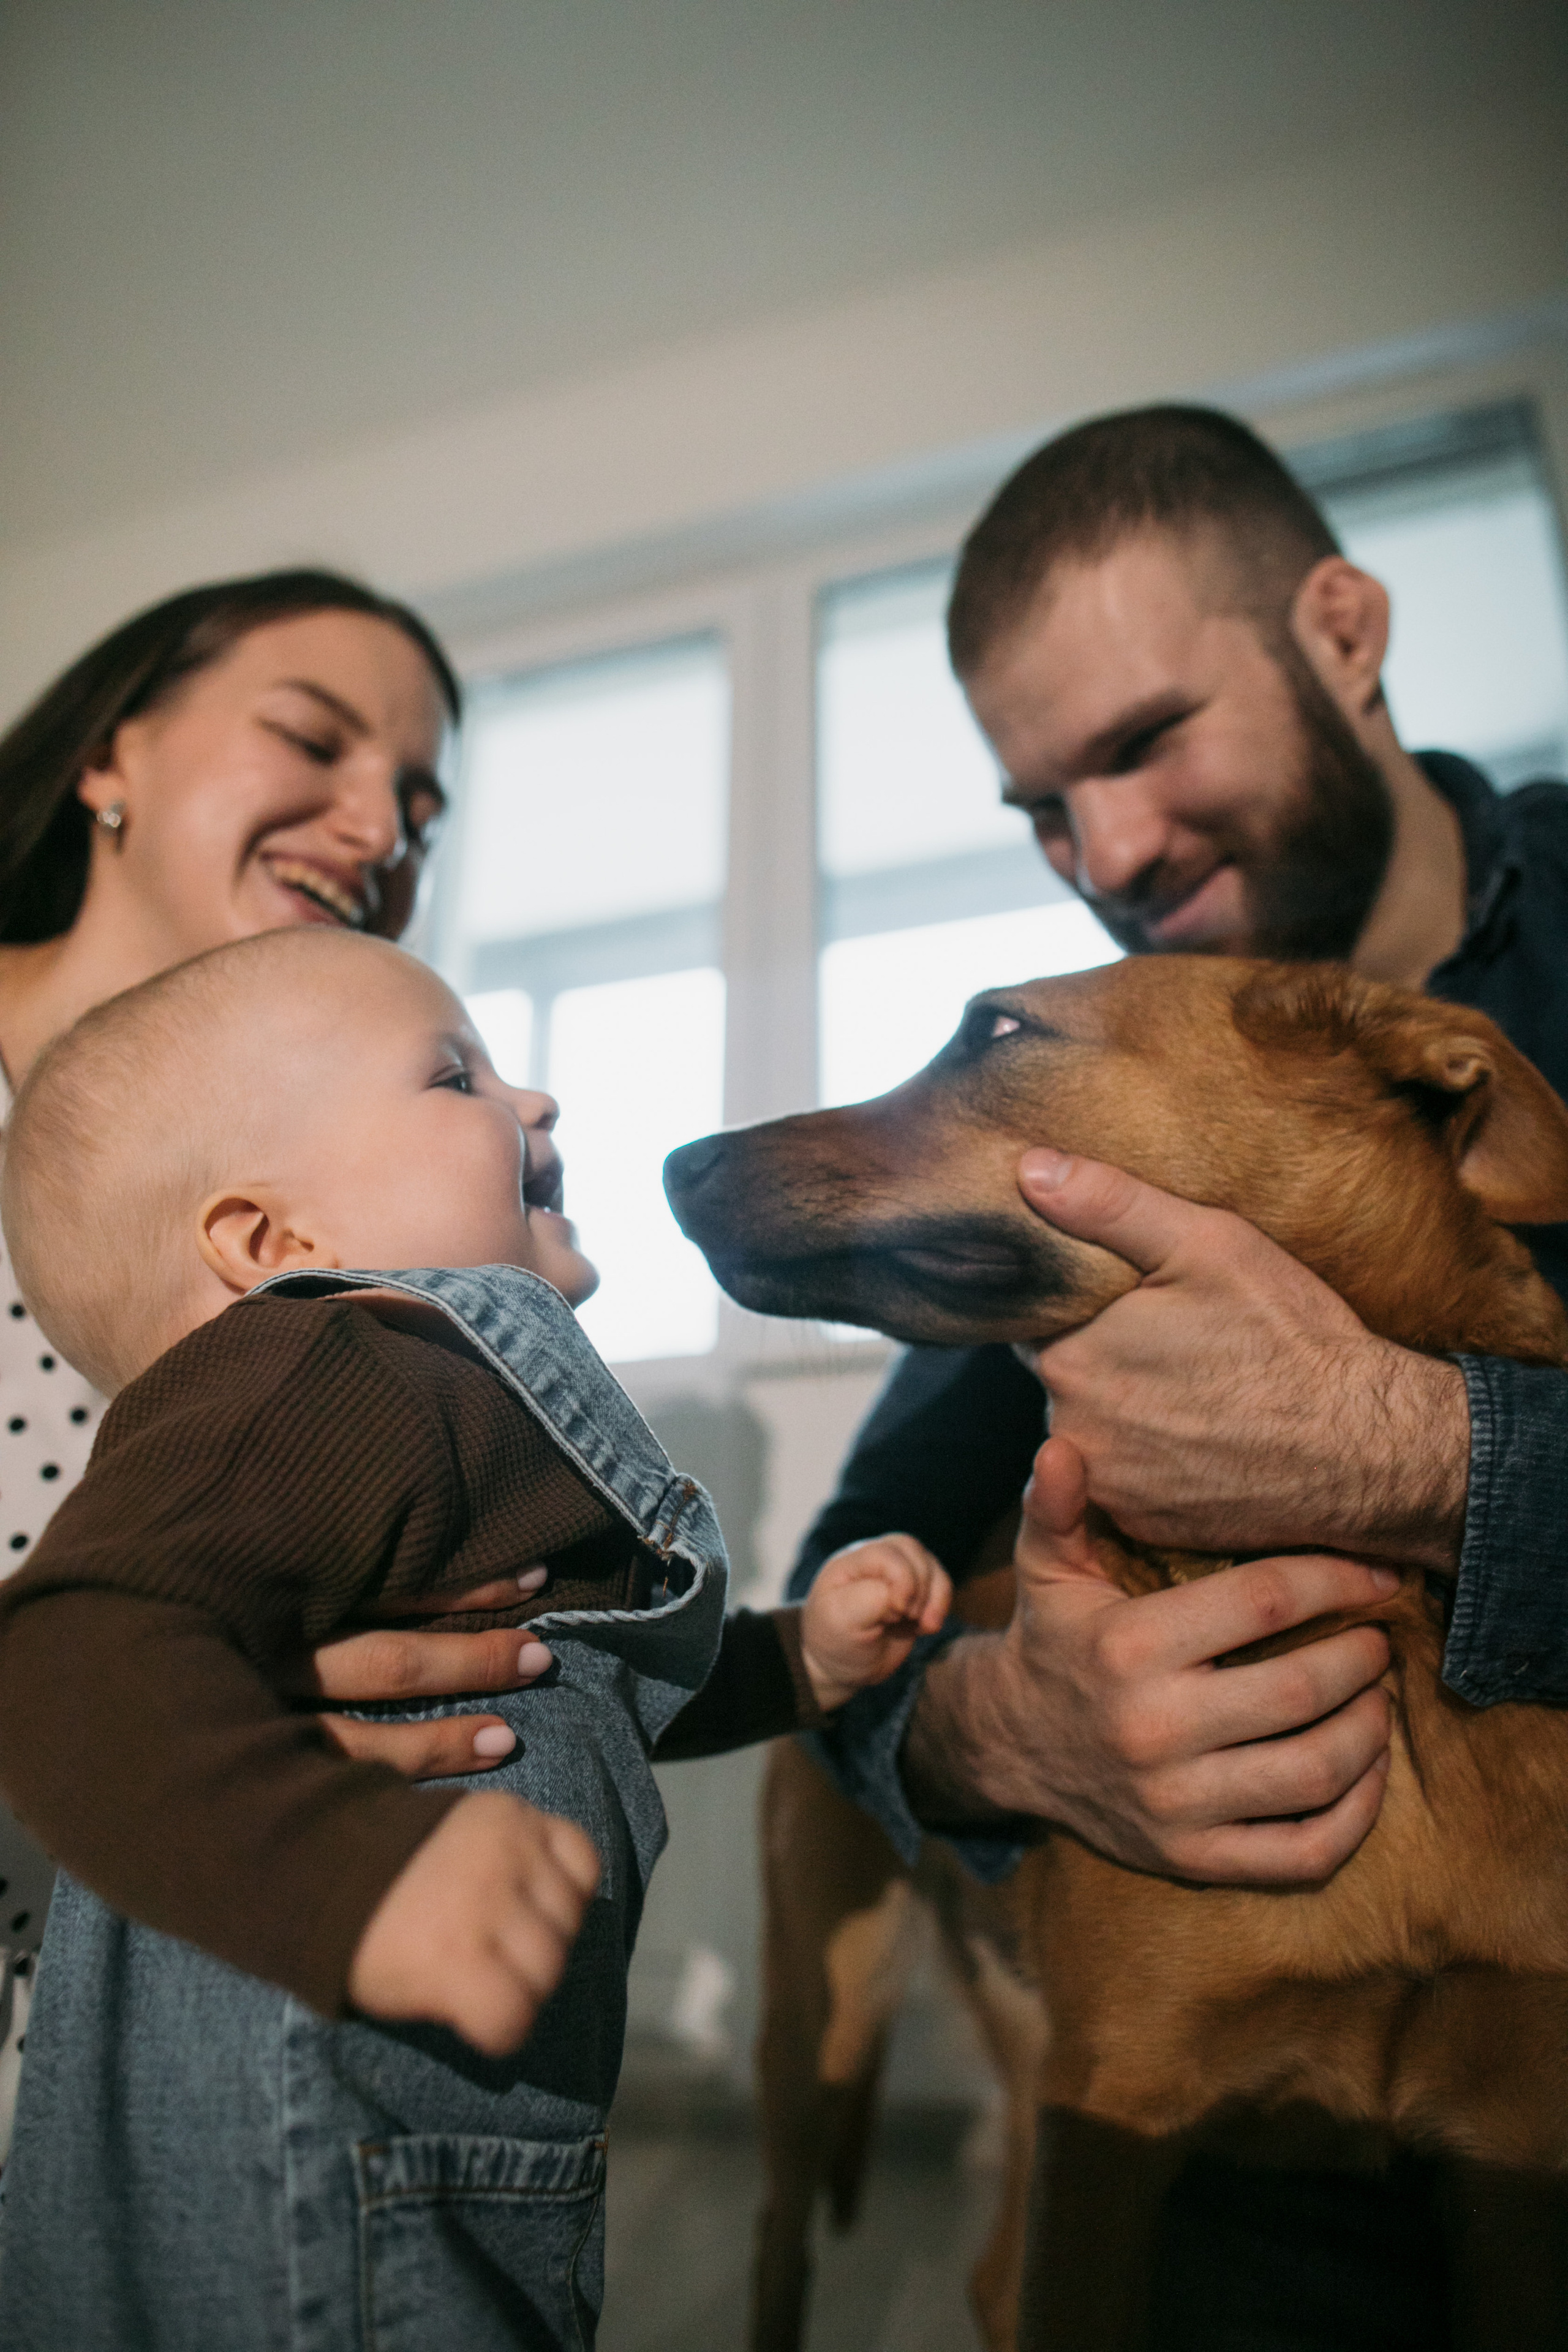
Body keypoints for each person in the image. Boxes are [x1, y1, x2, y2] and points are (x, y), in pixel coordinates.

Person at [790, 405, 1568, 2344]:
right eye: (1046, 809)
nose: (1110, 854)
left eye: (1146, 740)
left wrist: (1429, 1454)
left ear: (1345, 631)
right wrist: (997, 1734)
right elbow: (855, 1585)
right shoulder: (1108, 1092)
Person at [0, 924, 951, 2351]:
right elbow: (67, 1658)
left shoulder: (406, 1411)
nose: (534, 1100)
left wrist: (790, 1663)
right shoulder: (334, 1365)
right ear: (273, 1247)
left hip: (387, 2170)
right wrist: (351, 1879)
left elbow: (557, 1675)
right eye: (455, 1078)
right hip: (310, 2192)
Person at [0, 568, 609, 2133]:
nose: (381, 831)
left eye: (420, 807)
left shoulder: (376, 1257)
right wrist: (144, 1699)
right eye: (312, 739)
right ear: (111, 755)